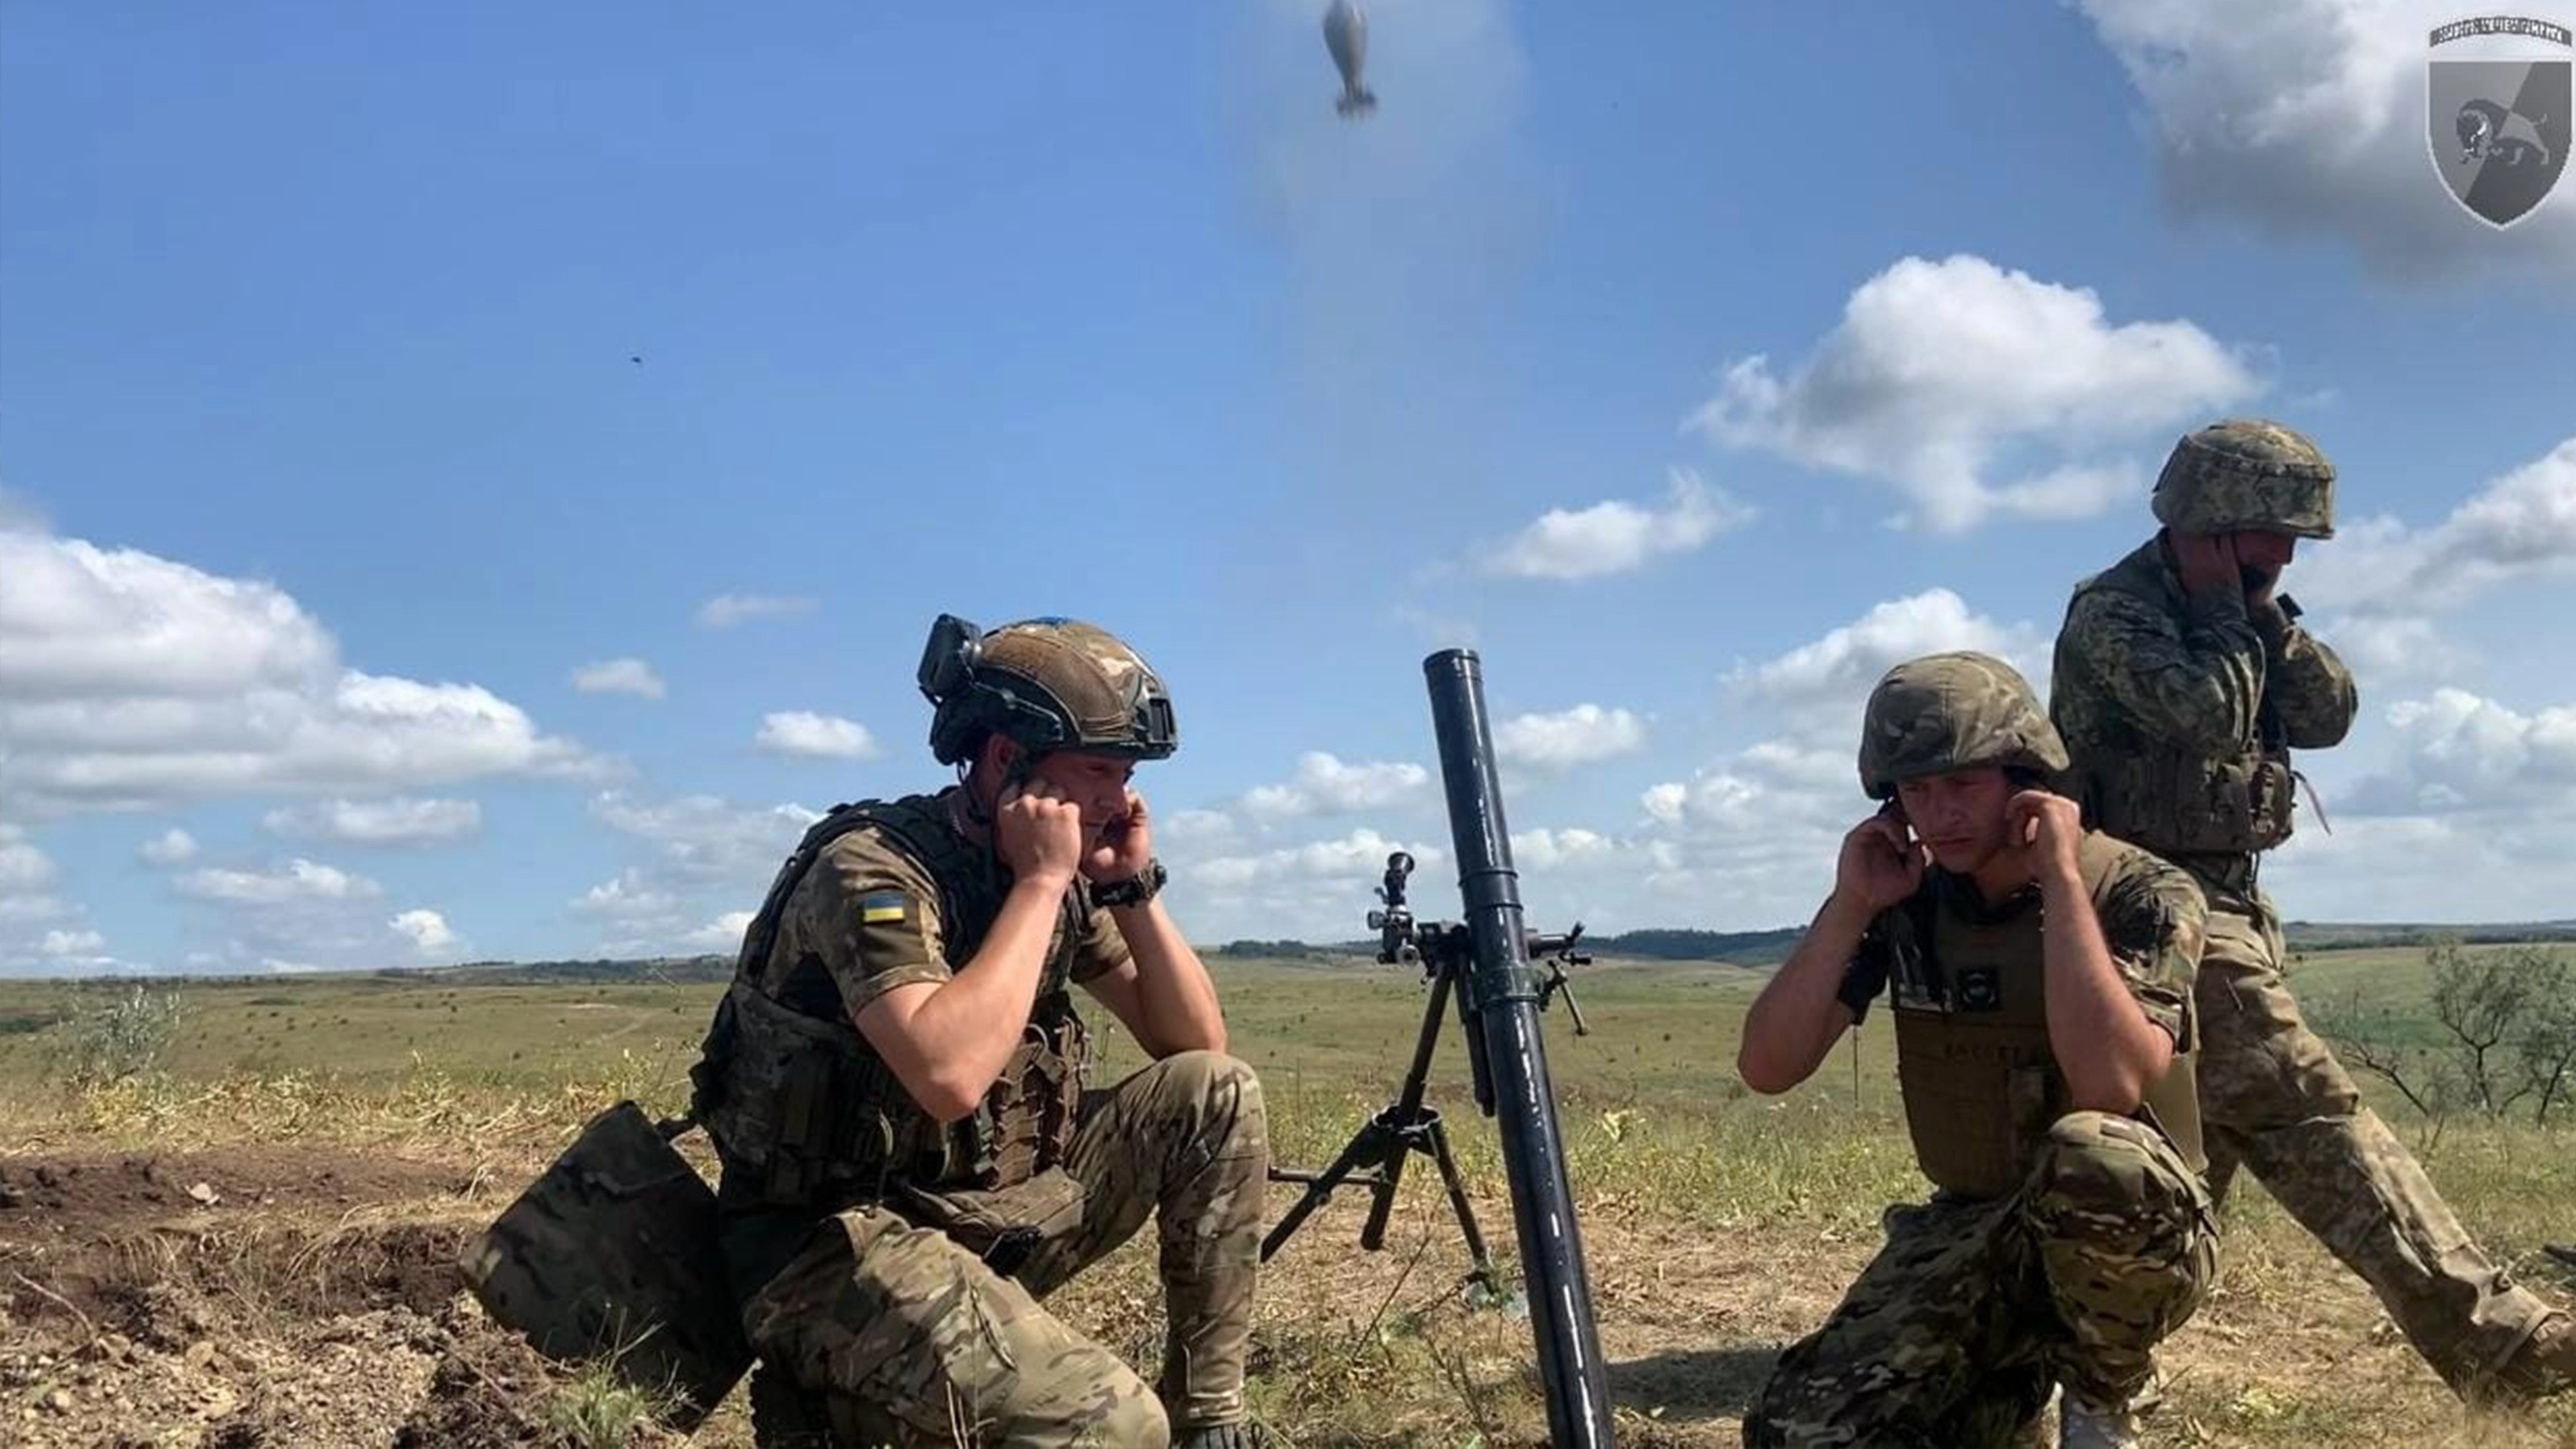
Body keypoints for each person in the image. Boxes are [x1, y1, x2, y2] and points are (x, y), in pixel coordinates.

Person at [2051, 419, 2574, 1401]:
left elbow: (2329, 715)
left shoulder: (2245, 608)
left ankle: (2082, 1352)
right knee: (2308, 1109)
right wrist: (2222, 612)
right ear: (2211, 522)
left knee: (2182, 1165)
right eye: (2272, 537)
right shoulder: (2115, 615)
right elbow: (2209, 717)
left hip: (2230, 901)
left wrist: (2266, 617)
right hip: (2153, 905)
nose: (2287, 558)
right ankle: (2502, 1347)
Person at [686, 614, 1267, 1448]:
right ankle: (833, 1408)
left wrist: (1131, 889)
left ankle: (1209, 1421)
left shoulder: (1053, 876)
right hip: (825, 1248)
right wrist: (1041, 884)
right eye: (1097, 771)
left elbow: (1193, 1043)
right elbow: (947, 1076)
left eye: (1127, 775)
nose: (1119, 801)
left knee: (1217, 1092)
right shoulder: (873, 871)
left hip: (978, 1213)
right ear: (1005, 759)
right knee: (1114, 1428)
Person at [1739, 652, 2217, 1449]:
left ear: (2025, 780)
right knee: (1802, 1432)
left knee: (2095, 1151)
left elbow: (2112, 1082)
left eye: (1964, 783)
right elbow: (1768, 1067)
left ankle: (2101, 1397)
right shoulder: (1905, 901)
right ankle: (2008, 1394)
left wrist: (2060, 881)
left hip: (2133, 1236)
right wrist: (1852, 906)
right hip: (1973, 1228)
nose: (1941, 813)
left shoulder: (2140, 890)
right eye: (1917, 791)